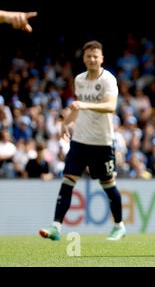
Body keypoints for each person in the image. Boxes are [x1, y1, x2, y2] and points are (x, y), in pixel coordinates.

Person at [39, 40, 126, 241]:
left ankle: (119, 226)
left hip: (102, 142)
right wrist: (65, 122)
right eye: (88, 56)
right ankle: (56, 228)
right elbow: (77, 108)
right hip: (80, 141)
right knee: (67, 181)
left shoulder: (108, 80)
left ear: (102, 58)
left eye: (96, 56)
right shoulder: (79, 79)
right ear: (84, 58)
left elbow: (110, 107)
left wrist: (84, 105)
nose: (92, 59)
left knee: (108, 185)